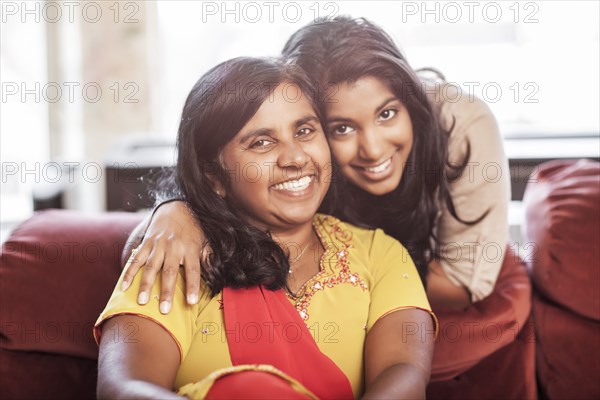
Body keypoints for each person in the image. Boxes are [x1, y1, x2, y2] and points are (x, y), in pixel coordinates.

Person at [95, 57, 436, 399]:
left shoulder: (381, 254)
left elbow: (403, 373)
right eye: (262, 142)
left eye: (304, 131)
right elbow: (123, 388)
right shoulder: (177, 256)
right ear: (214, 175)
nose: (296, 158)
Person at [120, 16, 509, 313]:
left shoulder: (458, 121)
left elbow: (461, 283)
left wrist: (369, 273)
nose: (373, 149)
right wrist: (176, 211)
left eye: (388, 113)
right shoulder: (297, 156)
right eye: (341, 128)